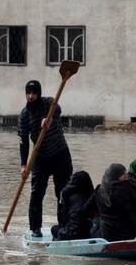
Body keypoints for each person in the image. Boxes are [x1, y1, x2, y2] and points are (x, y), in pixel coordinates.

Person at [19, 79, 73, 237]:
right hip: (40, 158)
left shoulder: (48, 103)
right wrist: (24, 166)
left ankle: (64, 226)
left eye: (34, 93)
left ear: (39, 94)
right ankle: (35, 228)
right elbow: (23, 141)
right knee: (36, 193)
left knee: (63, 193)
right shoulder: (24, 115)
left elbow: (57, 109)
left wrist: (49, 118)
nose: (31, 96)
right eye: (28, 93)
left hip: (60, 154)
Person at [93, 163, 136, 242]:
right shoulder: (123, 189)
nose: (126, 177)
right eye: (123, 175)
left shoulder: (99, 189)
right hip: (124, 234)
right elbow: (135, 213)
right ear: (117, 176)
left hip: (105, 234)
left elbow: (87, 209)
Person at [51, 171, 96, 241]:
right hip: (90, 229)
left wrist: (61, 201)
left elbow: (72, 226)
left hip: (78, 233)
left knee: (54, 229)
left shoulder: (73, 198)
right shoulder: (92, 195)